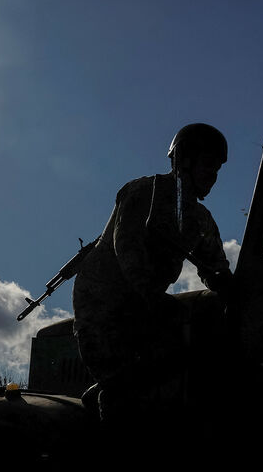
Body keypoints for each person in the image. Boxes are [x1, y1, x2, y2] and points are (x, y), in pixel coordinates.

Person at [72, 123, 233, 454]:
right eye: (207, 165)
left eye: (217, 169)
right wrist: (153, 297)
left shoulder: (199, 219)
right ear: (183, 161)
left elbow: (216, 266)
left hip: (143, 307)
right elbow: (127, 247)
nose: (213, 176)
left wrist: (230, 289)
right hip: (103, 304)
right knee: (123, 394)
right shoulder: (144, 193)